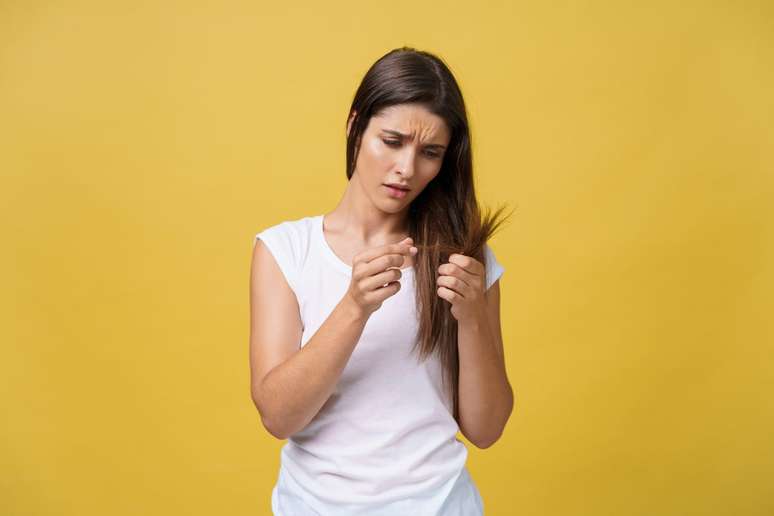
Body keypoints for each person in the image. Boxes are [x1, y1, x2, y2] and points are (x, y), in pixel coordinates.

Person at [249, 47, 514, 515]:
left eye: (430, 153)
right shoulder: (285, 250)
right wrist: (354, 306)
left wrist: (471, 319)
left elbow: (487, 428)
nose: (407, 169)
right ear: (355, 127)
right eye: (391, 141)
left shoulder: (463, 260)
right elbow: (278, 415)